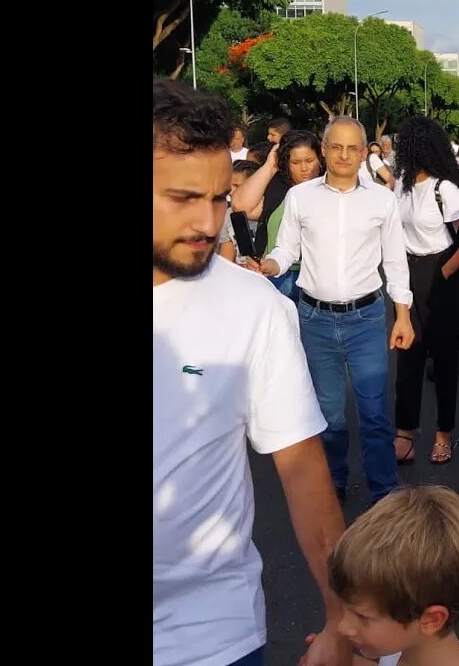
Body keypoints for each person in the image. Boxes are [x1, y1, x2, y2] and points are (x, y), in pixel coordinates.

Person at [153, 79, 349, 666]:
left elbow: (303, 470)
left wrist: (343, 619)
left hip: (215, 635)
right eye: (184, 198)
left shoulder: (256, 305)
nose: (209, 222)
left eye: (218, 198)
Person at [248, 116, 415, 505]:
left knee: (374, 413)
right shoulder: (301, 197)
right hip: (315, 319)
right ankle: (333, 482)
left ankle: (384, 492)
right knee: (328, 414)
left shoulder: (381, 200)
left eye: (352, 148)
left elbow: (394, 261)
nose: (343, 154)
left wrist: (403, 315)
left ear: (363, 153)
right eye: (336, 147)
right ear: (324, 150)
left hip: (366, 318)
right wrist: (269, 265)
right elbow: (286, 249)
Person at [391, 116, 459, 466]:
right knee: (408, 356)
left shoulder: (444, 188)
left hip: (441, 272)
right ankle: (405, 433)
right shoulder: (400, 186)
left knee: (444, 360)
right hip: (408, 271)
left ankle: (443, 434)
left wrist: (444, 272)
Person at [329, 485, 459, 666]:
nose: (342, 627)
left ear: (431, 620)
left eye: (362, 617)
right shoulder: (406, 644)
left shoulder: (402, 641)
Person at [230, 130, 326, 302]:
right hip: (278, 276)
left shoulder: (331, 189)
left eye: (310, 161)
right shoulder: (277, 188)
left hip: (318, 279)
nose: (304, 168)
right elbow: (240, 206)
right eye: (295, 162)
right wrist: (270, 166)